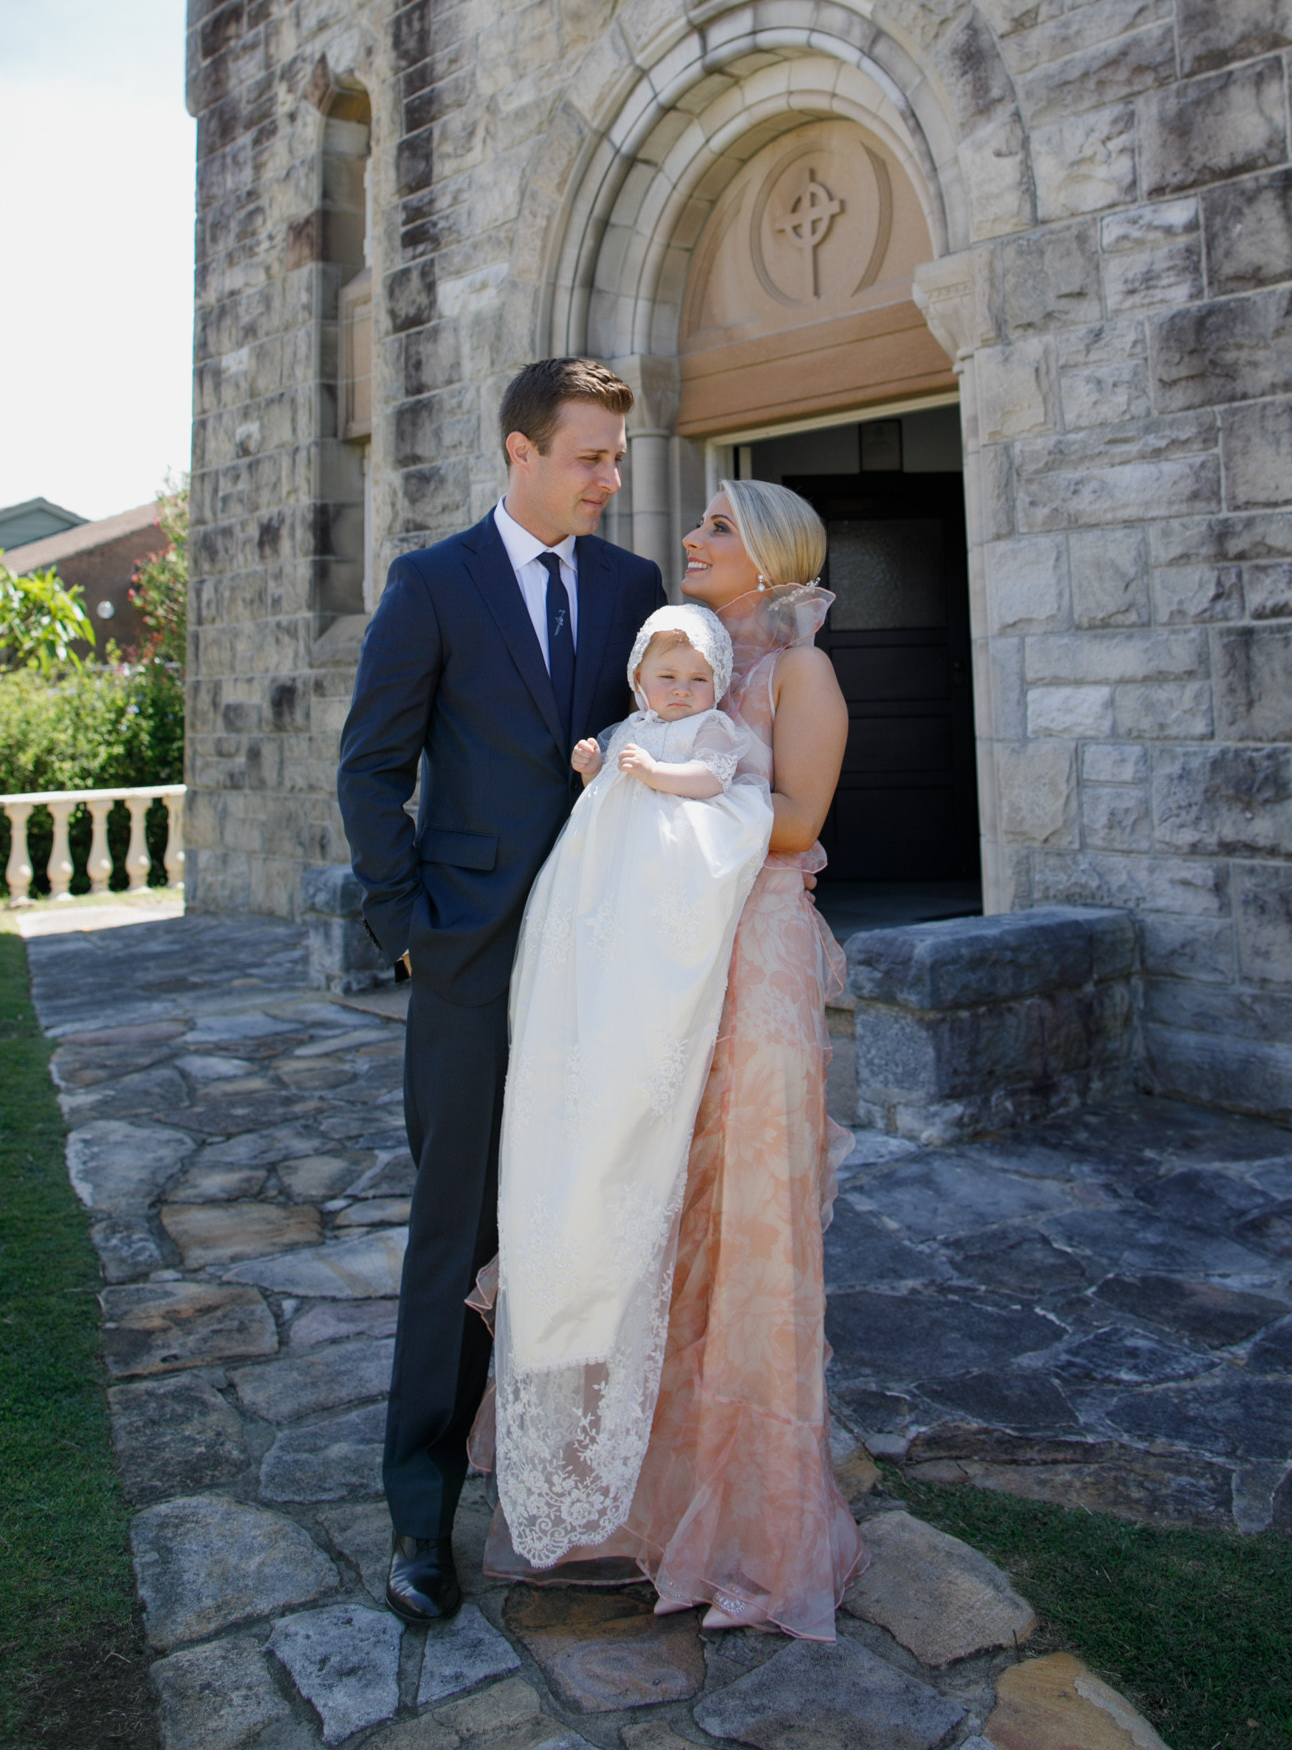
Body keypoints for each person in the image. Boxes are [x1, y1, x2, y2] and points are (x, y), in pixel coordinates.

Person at [482, 478, 863, 1639]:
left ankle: (750, 1527)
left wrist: (690, 788)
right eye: (697, 522)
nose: (689, 539)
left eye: (715, 527)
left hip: (751, 964)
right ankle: (638, 1494)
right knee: (656, 1204)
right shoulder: (678, 656)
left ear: (770, 554)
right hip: (656, 973)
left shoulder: (799, 673)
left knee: (742, 1222)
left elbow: (796, 816)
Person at [336, 357, 665, 1623]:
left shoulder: (634, 589)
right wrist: (406, 927)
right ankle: (422, 1521)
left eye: (617, 459)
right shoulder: (430, 583)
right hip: (468, 967)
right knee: (453, 1238)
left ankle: (575, 1490)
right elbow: (372, 767)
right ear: (519, 451)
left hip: (600, 974)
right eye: (589, 456)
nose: (609, 477)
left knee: (592, 1225)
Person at [476, 604, 773, 1573]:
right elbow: (600, 781)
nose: (680, 693)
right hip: (596, 891)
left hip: (661, 889)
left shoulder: (708, 734)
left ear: (714, 685)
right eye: (666, 678)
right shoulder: (631, 728)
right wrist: (600, 766)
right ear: (641, 677)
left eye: (695, 680)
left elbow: (718, 784)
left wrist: (656, 773)